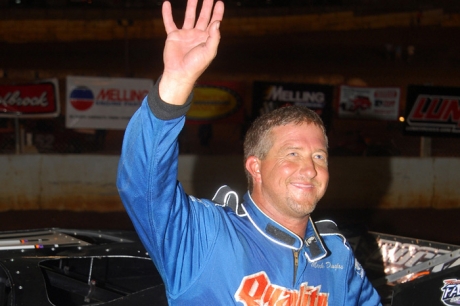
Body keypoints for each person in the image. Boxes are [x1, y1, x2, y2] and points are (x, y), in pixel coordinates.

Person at [116, 0, 382, 304]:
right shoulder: (205, 236)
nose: (309, 169)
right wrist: (175, 82)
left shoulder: (337, 256)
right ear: (255, 167)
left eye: (319, 156)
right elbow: (141, 185)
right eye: (292, 154)